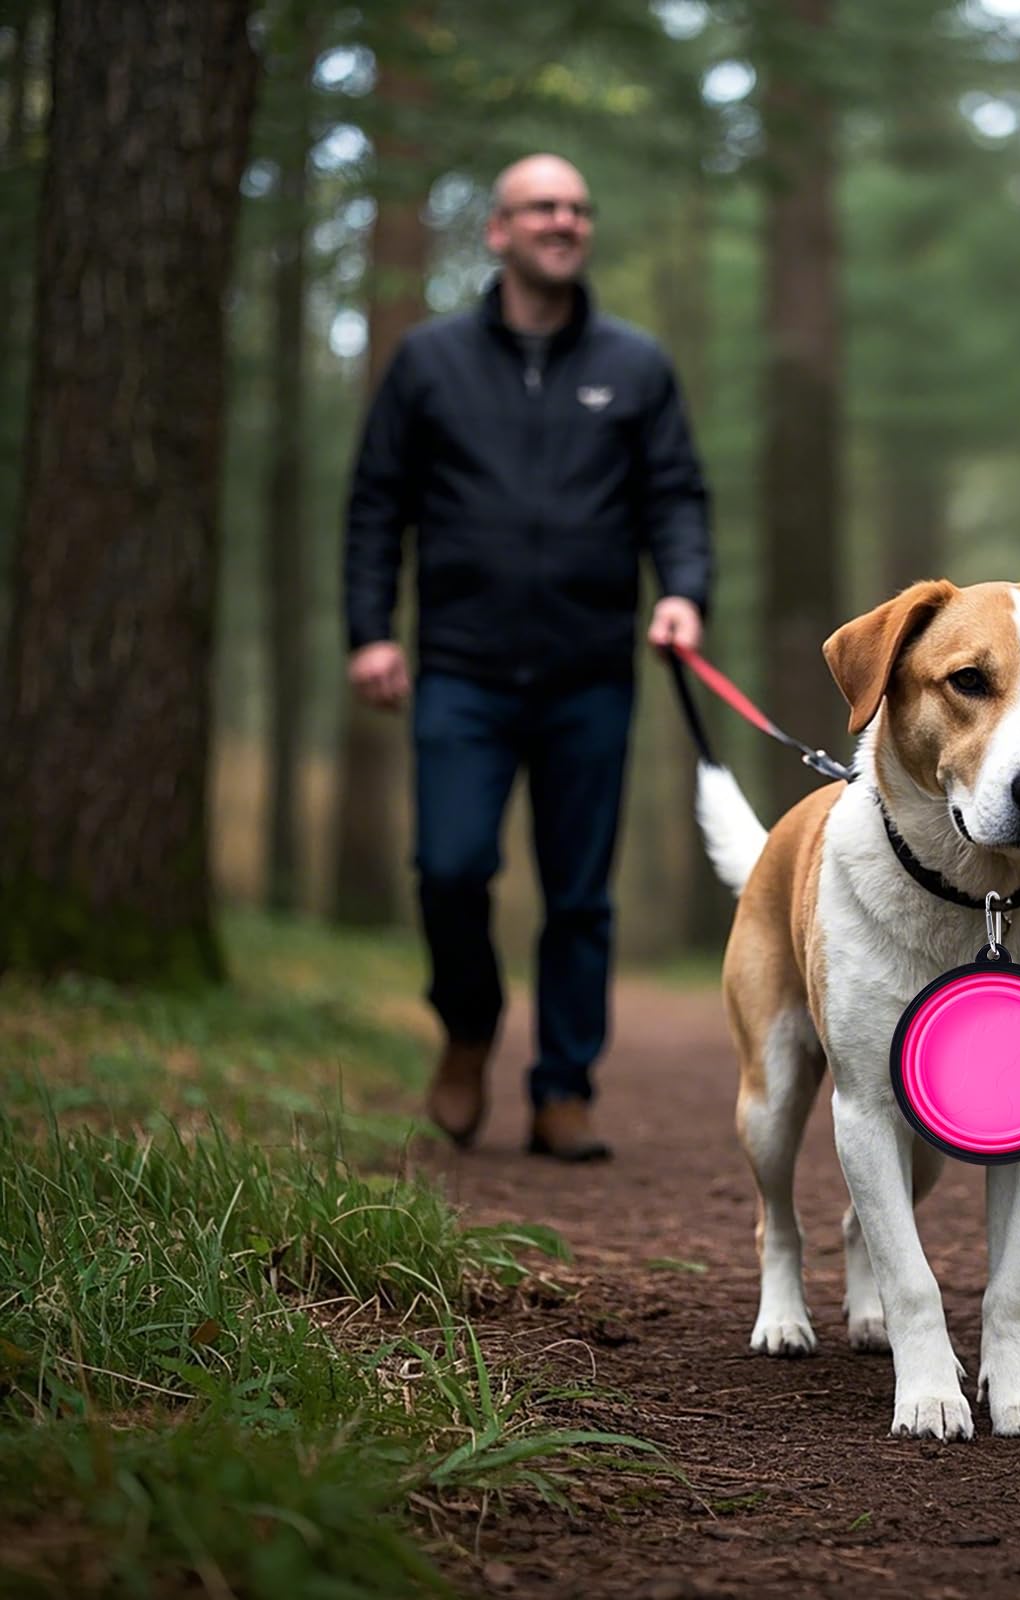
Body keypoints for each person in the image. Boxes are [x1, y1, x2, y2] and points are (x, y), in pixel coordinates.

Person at [343, 153, 712, 1161]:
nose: (564, 220)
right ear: (497, 231)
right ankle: (467, 1028)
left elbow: (675, 495)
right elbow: (378, 501)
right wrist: (369, 629)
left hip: (590, 671)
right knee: (451, 869)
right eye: (542, 206)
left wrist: (682, 591)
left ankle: (564, 1089)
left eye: (578, 208)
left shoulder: (635, 365)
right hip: (460, 667)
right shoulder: (429, 362)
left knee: (579, 893)